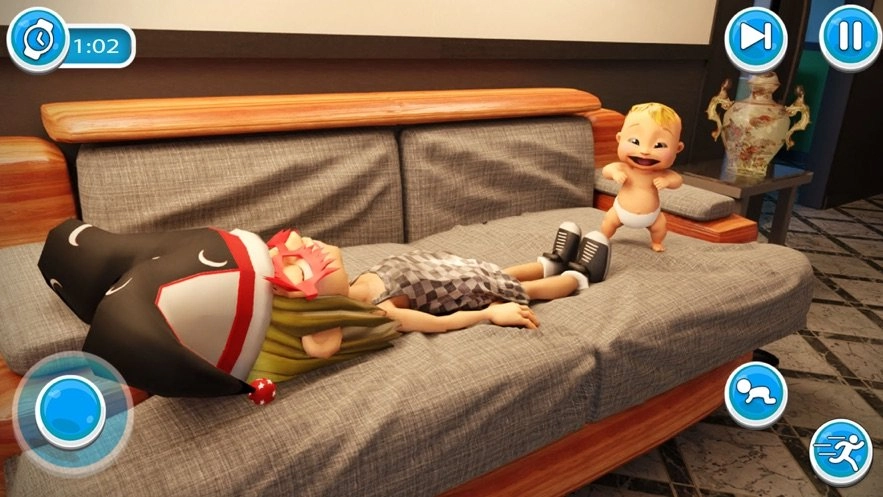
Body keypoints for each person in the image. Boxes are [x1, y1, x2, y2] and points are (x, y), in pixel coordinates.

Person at [39, 219, 605, 402]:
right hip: (454, 293)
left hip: (442, 266)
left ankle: (544, 261)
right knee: (506, 290)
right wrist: (488, 316)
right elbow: (440, 320)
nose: (305, 245)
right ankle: (574, 279)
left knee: (490, 268)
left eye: (290, 246)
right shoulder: (378, 313)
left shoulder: (358, 285)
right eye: (298, 265)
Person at [600, 102, 685, 253]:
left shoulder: (660, 173)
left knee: (660, 227)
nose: (645, 151)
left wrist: (667, 181)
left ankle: (657, 242)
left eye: (659, 145)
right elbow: (607, 170)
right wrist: (615, 174)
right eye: (635, 142)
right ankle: (603, 237)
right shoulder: (625, 168)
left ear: (677, 148)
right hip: (620, 211)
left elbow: (677, 180)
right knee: (609, 221)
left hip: (652, 216)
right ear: (619, 139)